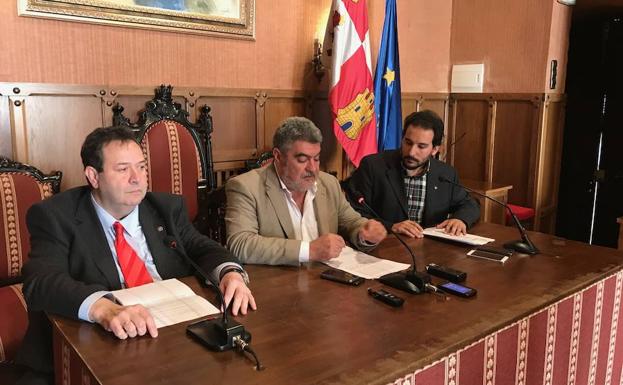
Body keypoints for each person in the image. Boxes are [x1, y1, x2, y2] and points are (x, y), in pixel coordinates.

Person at [16, 126, 256, 384]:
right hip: (95, 350)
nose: (137, 179)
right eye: (123, 169)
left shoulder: (165, 208)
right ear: (93, 177)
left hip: (171, 342)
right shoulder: (56, 216)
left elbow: (203, 247)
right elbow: (40, 282)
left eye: (141, 167)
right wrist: (102, 308)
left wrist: (230, 272)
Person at [225, 117, 387, 266]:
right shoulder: (246, 187)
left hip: (326, 282)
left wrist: (365, 233)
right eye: (302, 160)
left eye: (316, 159)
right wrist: (308, 251)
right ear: (278, 156)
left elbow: (351, 222)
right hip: (277, 287)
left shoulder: (328, 183)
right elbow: (240, 244)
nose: (312, 168)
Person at [346, 110, 480, 238]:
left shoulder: (446, 174)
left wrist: (460, 219)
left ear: (435, 149)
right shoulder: (373, 166)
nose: (411, 152)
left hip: (429, 251)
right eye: (408, 143)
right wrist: (391, 226)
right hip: (384, 246)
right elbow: (353, 211)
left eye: (421, 146)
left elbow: (470, 204)